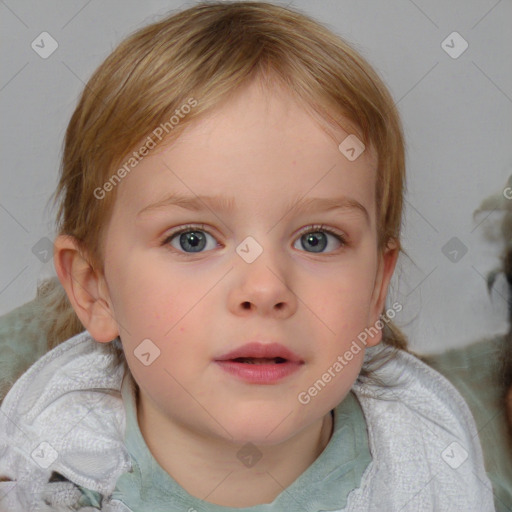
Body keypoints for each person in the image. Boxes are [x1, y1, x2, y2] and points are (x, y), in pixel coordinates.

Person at [0, 2, 495, 511]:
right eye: (192, 239)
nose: (265, 289)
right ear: (94, 288)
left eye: (316, 239)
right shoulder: (42, 479)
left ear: (375, 290)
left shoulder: (432, 473)